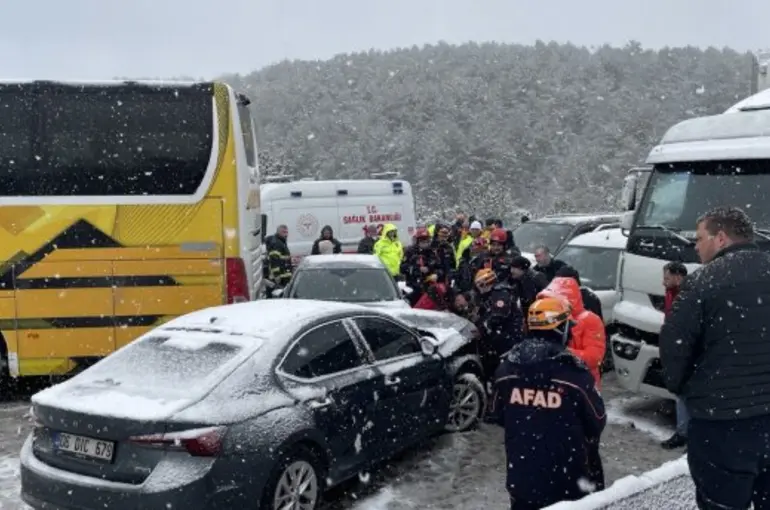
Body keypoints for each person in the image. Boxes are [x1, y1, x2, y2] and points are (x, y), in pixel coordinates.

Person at [659, 206, 770, 510]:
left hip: (722, 424)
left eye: (699, 238)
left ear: (720, 238)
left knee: (720, 503)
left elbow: (674, 348)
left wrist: (683, 389)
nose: (695, 246)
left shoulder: (703, 282)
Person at [490, 296, 606, 509]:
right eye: (567, 327)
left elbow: (497, 414)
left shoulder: (506, 370)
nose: (570, 333)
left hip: (522, 478)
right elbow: (597, 420)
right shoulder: (574, 374)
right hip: (570, 483)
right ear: (559, 329)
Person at [538, 277, 605, 387]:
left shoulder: (590, 320)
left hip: (582, 384)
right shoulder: (548, 317)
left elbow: (594, 357)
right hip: (555, 381)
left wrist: (563, 353)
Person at [659, 260, 689, 450]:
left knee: (686, 394)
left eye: (667, 277)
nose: (663, 282)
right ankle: (683, 432)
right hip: (676, 349)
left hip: (686, 351)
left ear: (678, 277)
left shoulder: (688, 296)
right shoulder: (671, 293)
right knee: (680, 394)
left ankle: (687, 434)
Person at [475, 268, 523, 384]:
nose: (479, 288)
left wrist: (483, 327)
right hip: (500, 335)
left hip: (507, 336)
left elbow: (498, 316)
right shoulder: (490, 294)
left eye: (480, 284)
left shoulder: (500, 293)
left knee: (497, 364)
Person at [401, 228, 439, 306]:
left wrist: (436, 274)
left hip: (430, 289)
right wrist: (417, 269)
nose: (425, 242)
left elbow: (439, 267)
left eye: (427, 240)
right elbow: (402, 268)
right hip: (413, 287)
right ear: (418, 240)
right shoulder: (410, 252)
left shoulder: (432, 252)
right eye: (422, 240)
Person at [510, 255, 548, 322]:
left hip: (540, 318)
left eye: (514, 268)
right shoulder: (518, 279)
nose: (511, 271)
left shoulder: (535, 279)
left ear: (522, 269)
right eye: (511, 268)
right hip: (529, 317)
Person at [264, 224, 292, 296]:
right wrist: (277, 275)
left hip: (283, 275)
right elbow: (274, 260)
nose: (286, 234)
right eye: (283, 232)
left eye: (286, 232)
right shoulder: (277, 243)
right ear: (278, 232)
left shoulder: (281, 242)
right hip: (280, 277)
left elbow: (282, 257)